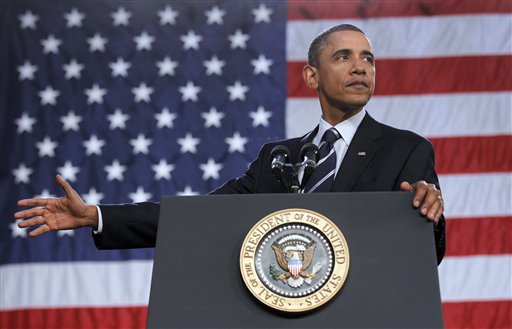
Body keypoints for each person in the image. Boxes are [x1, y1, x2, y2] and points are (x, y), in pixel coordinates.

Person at [15, 24, 446, 263]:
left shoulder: (406, 149)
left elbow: (426, 250)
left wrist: (428, 212)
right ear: (311, 76)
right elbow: (200, 217)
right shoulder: (278, 158)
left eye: (367, 58)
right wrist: (97, 216)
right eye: (343, 57)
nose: (360, 67)